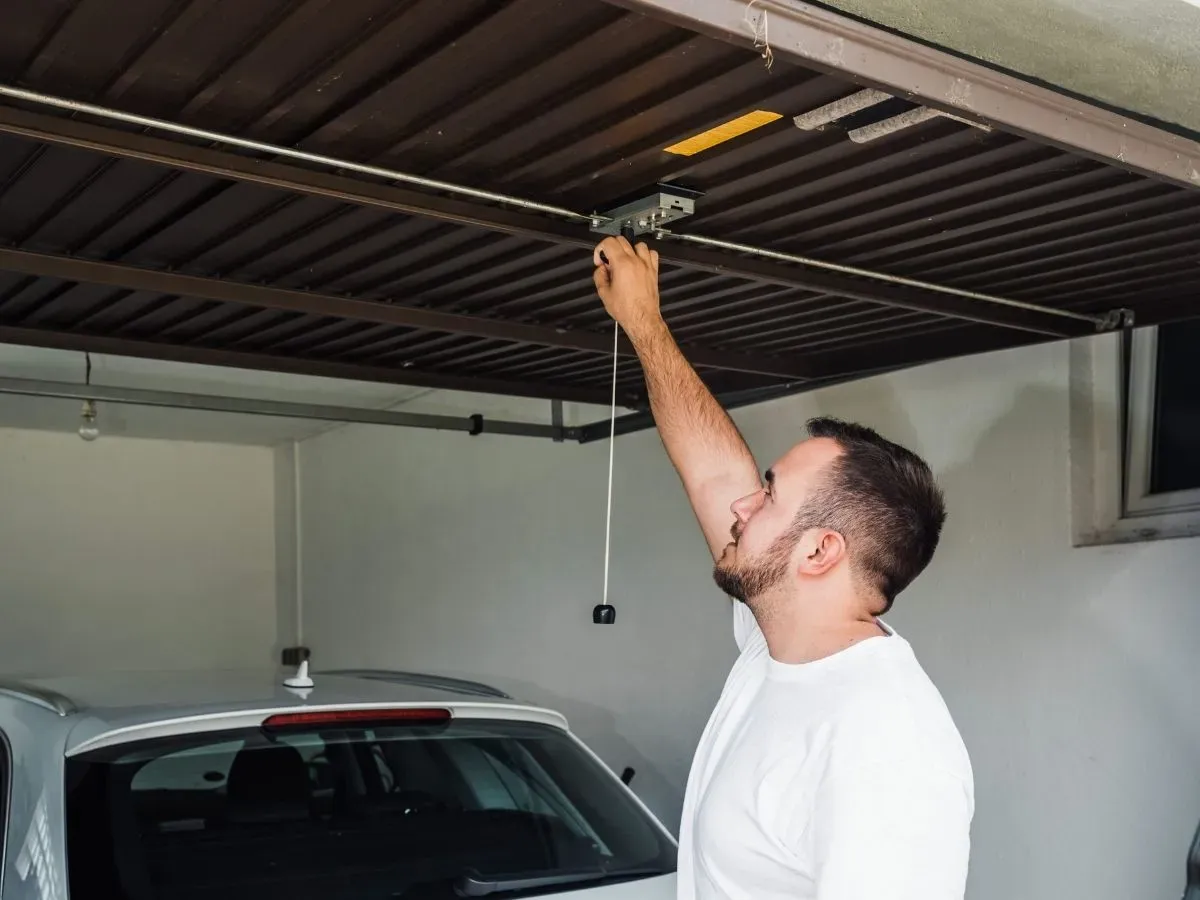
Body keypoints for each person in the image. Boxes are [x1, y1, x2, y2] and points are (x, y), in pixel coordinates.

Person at [591, 235, 974, 900]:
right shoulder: (777, 647)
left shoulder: (885, 743)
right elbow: (714, 474)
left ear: (820, 552)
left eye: (768, 495)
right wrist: (643, 323)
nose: (743, 504)